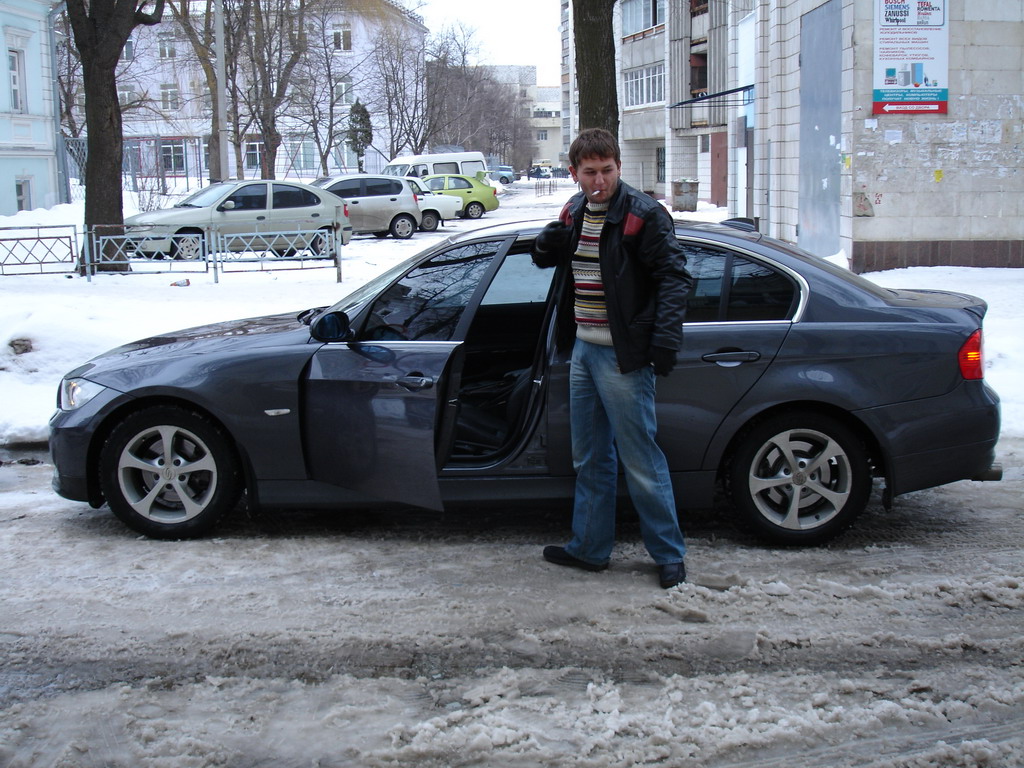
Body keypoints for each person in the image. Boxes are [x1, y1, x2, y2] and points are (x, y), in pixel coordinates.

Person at [531, 127, 693, 589]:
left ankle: (669, 554)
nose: (599, 181)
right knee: (589, 458)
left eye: (607, 170)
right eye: (590, 172)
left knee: (640, 459)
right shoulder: (574, 210)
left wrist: (664, 340)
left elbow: (674, 278)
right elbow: (558, 265)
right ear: (574, 173)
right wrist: (544, 246)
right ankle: (589, 548)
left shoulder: (644, 214)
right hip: (584, 349)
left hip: (623, 356)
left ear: (619, 167)